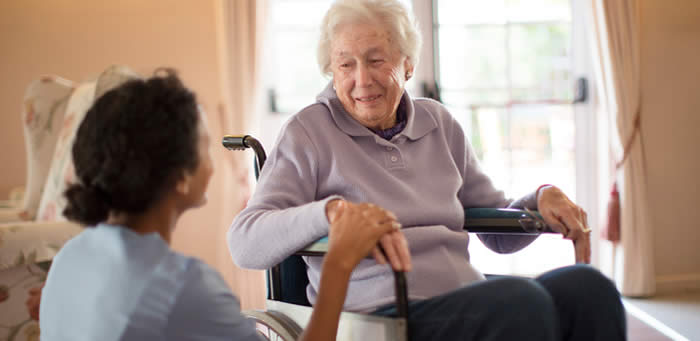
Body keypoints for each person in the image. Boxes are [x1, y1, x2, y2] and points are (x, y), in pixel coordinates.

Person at [227, 0, 626, 340]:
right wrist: (328, 213)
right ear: (331, 70)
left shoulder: (439, 124)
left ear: (408, 64)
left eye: (376, 60)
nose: (361, 80)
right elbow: (245, 242)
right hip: (377, 315)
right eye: (345, 65)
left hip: (463, 295)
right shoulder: (308, 132)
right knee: (521, 304)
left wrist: (539, 199)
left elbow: (494, 228)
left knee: (590, 289)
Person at [39, 70, 400, 341]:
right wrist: (338, 264)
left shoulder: (70, 258)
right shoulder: (182, 286)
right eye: (204, 144)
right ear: (180, 176)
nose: (212, 159)